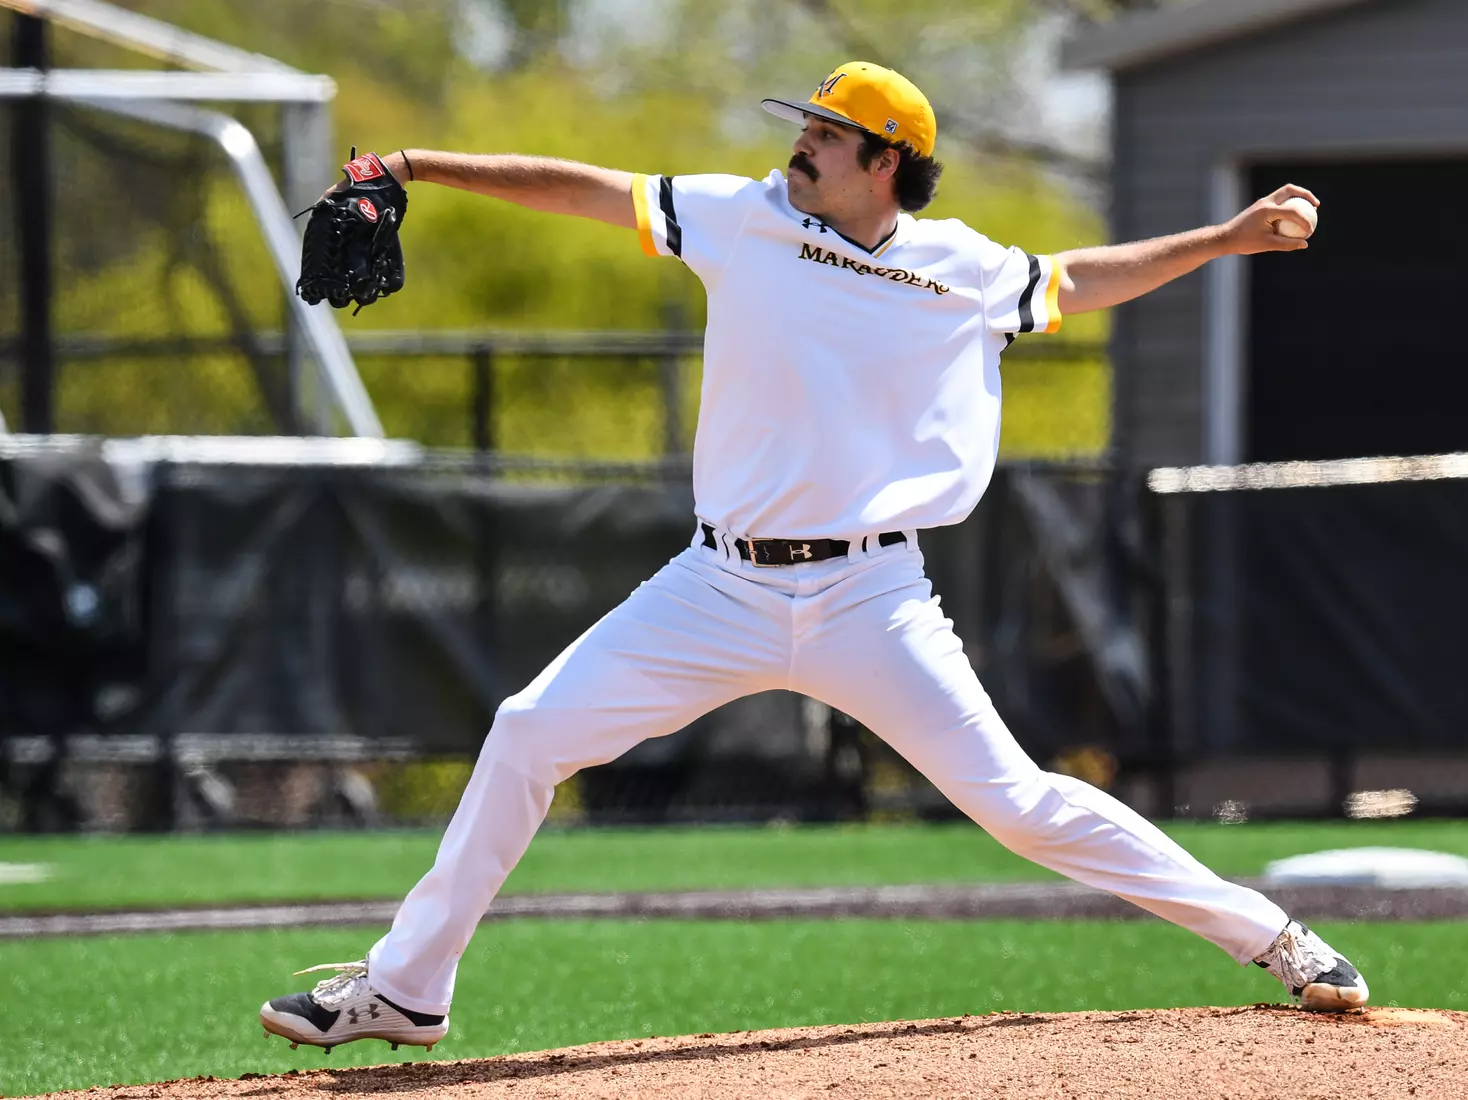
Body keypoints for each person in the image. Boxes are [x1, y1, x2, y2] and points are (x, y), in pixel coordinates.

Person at [258, 61, 1366, 1054]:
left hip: (870, 594)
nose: (801, 142)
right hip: (717, 585)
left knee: (1020, 805)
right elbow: (582, 187)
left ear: (886, 162)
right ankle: (405, 989)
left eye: (827, 133)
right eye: (806, 125)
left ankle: (1272, 937)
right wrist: (415, 165)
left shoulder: (964, 267)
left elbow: (1076, 278)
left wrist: (1221, 239)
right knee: (526, 730)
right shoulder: (742, 217)